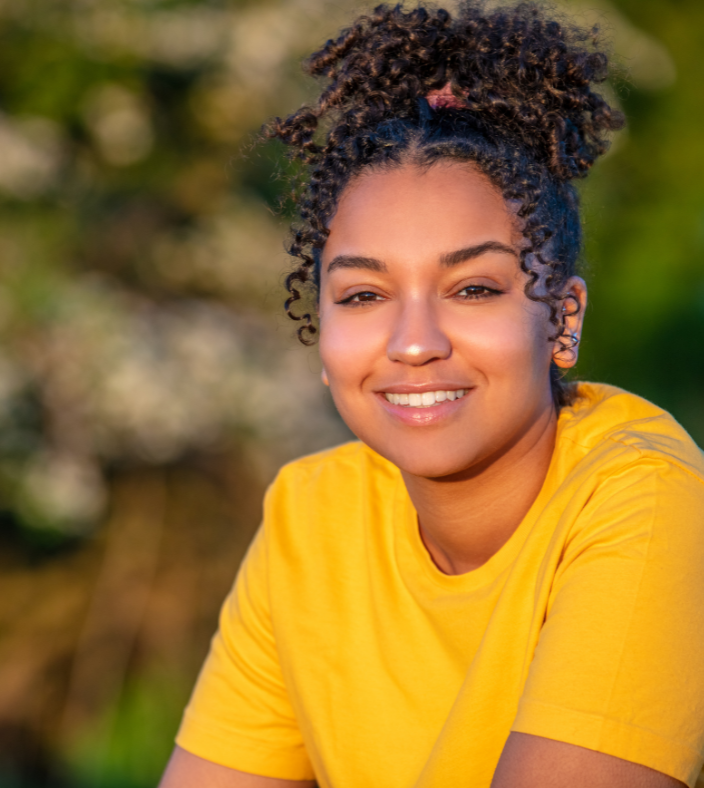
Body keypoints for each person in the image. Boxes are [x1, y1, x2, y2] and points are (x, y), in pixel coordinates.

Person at [159, 2, 704, 786]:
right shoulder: (311, 518)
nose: (414, 341)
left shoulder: (646, 501)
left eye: (474, 288)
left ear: (563, 318)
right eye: (361, 297)